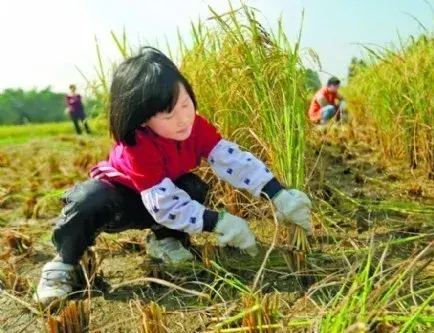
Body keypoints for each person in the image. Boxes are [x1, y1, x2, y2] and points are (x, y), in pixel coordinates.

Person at [34, 47, 312, 306]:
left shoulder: (195, 126)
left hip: (161, 196)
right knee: (88, 200)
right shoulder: (138, 144)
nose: (183, 119)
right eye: (168, 114)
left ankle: (165, 239)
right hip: (121, 202)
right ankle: (63, 264)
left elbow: (233, 160)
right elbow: (163, 203)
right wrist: (219, 222)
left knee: (192, 187)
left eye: (185, 104)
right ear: (142, 119)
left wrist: (278, 193)